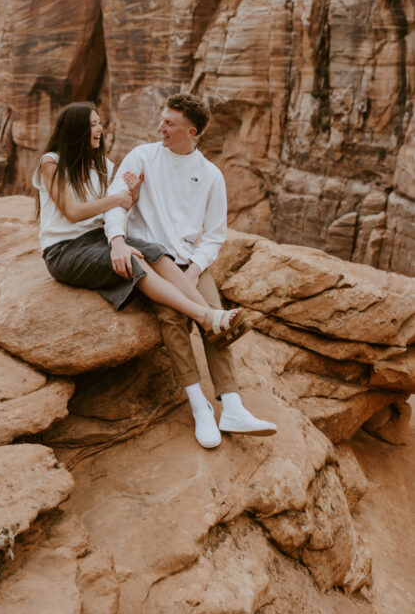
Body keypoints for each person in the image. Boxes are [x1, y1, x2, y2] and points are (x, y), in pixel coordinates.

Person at [104, 92, 277, 449]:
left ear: (191, 131)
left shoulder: (210, 175)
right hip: (151, 259)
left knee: (216, 320)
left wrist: (195, 270)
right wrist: (117, 240)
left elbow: (214, 235)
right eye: (162, 120)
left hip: (190, 265)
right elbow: (115, 204)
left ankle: (231, 405)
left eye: (169, 123)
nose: (160, 128)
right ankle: (200, 407)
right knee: (172, 320)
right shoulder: (142, 157)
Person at [33, 101, 245, 337]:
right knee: (133, 262)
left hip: (94, 239)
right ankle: (204, 317)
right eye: (93, 124)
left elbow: (117, 206)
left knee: (153, 251)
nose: (100, 129)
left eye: (99, 123)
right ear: (75, 129)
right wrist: (117, 200)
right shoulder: (51, 162)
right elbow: (73, 213)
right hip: (64, 250)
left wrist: (131, 197)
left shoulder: (102, 165)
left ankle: (213, 319)